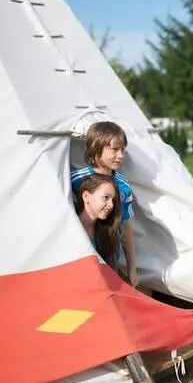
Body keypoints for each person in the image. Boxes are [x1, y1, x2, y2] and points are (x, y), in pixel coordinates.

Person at [71, 121, 138, 286]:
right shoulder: (74, 181)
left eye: (122, 150)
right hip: (80, 259)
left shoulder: (123, 186)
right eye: (114, 149)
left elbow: (125, 227)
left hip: (110, 260)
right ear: (96, 147)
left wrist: (132, 267)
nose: (121, 155)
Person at [74, 173, 121, 271]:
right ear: (86, 196)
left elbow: (111, 273)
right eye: (105, 197)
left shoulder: (109, 234)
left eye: (113, 200)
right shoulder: (67, 228)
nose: (111, 205)